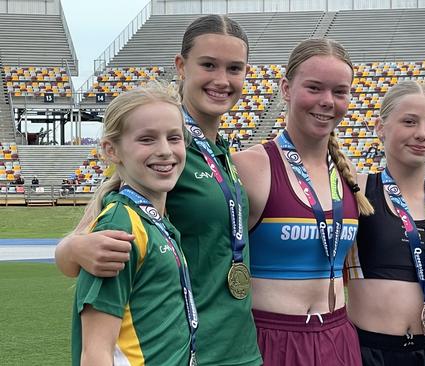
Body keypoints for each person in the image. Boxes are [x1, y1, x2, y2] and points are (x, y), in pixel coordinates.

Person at [54, 15, 263, 365]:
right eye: (209, 65)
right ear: (181, 66)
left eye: (235, 68)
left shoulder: (222, 153)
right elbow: (101, 224)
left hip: (238, 345)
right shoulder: (160, 151)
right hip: (188, 351)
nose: (222, 80)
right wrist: (72, 247)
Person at [233, 38, 374, 365]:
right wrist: (85, 244)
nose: (327, 101)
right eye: (314, 88)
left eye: (339, 92)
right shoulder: (249, 166)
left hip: (338, 337)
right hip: (269, 337)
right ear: (286, 88)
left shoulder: (348, 174)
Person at [343, 80, 425, 366]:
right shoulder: (355, 191)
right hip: (367, 353)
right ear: (380, 127)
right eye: (409, 122)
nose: (421, 134)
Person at [71, 83, 195, 365]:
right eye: (147, 139)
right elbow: (96, 351)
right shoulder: (121, 225)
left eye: (174, 138)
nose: (165, 150)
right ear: (111, 150)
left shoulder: (155, 220)